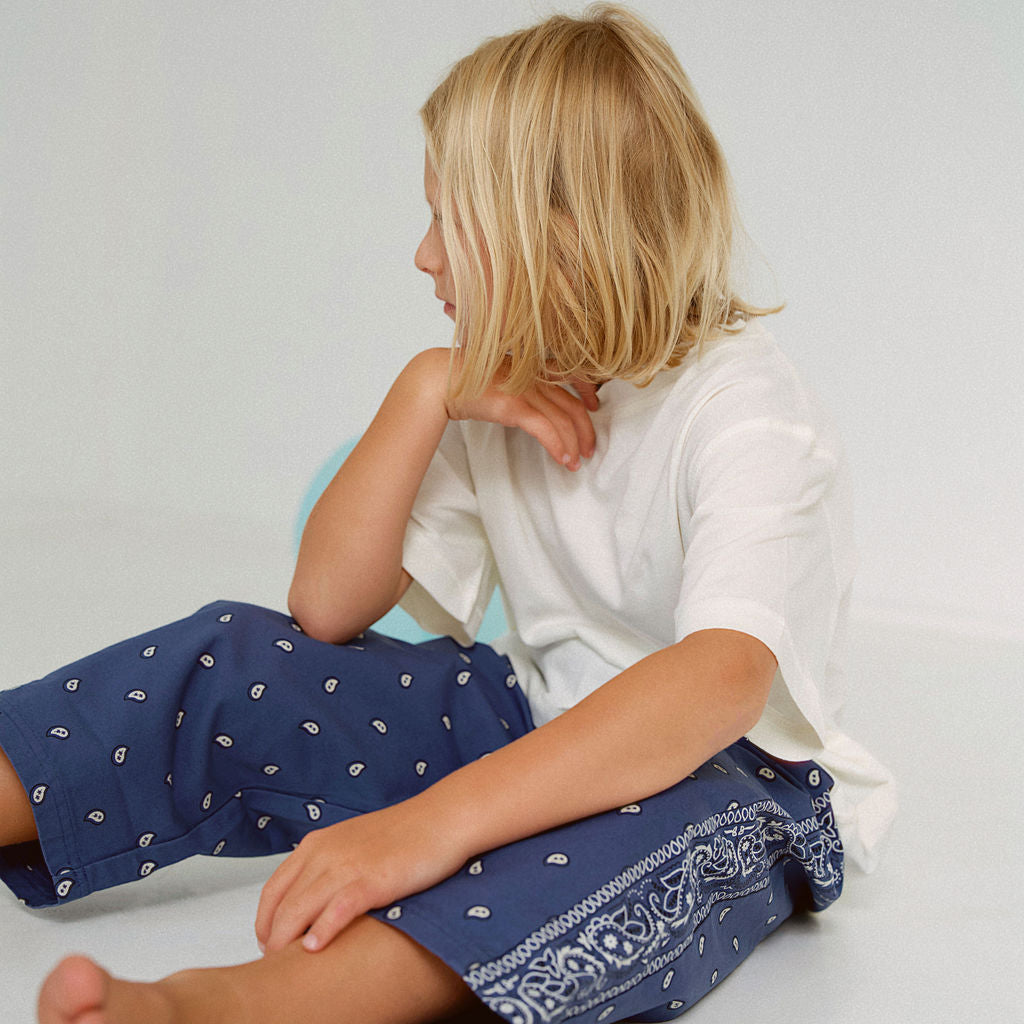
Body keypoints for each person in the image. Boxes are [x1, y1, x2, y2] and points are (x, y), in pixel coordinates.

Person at [0, 5, 895, 1022]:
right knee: (239, 659)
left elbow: (720, 682)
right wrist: (426, 389)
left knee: (607, 849)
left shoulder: (748, 411)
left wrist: (431, 825)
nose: (423, 257)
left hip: (741, 775)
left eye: (445, 220)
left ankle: (222, 1010)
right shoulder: (506, 387)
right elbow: (327, 606)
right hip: (531, 714)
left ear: (556, 234)